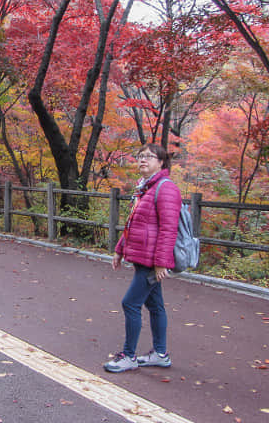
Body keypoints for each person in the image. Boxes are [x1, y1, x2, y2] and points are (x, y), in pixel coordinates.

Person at [103, 143, 182, 373]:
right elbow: (133, 225)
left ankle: (129, 356)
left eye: (149, 156)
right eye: (140, 156)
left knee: (130, 303)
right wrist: (120, 250)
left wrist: (161, 263)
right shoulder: (145, 188)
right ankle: (160, 354)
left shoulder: (166, 188)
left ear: (161, 162)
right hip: (143, 258)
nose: (143, 160)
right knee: (155, 305)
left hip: (151, 262)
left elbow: (169, 229)